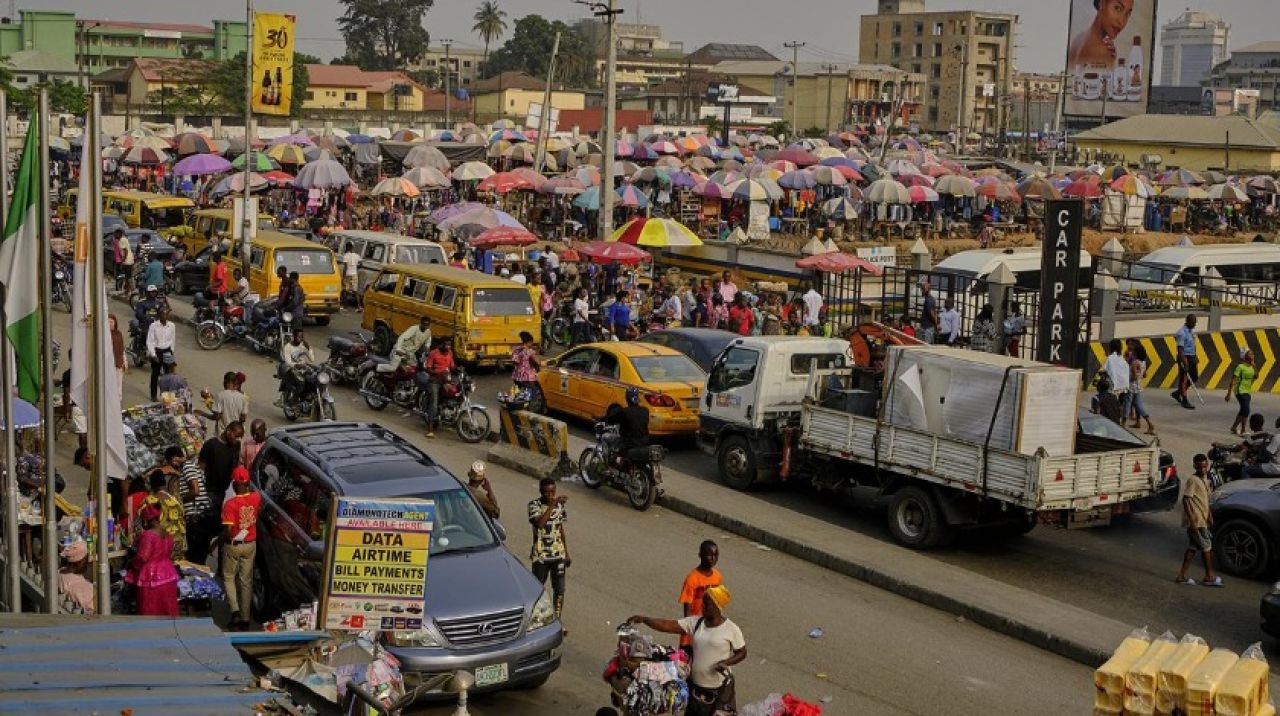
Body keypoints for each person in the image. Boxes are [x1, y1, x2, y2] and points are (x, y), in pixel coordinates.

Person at [627, 585, 747, 716]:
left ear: (718, 606)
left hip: (718, 693)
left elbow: (742, 652)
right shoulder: (696, 623)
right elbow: (667, 625)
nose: (703, 607)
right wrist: (645, 620)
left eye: (707, 605)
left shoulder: (731, 629)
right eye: (703, 603)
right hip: (695, 688)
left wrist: (726, 662)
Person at [194, 421, 243, 563]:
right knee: (204, 526)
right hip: (208, 492)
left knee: (214, 524)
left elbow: (234, 467)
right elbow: (201, 468)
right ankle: (199, 557)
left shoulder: (234, 447)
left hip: (222, 493)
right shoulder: (211, 445)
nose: (238, 439)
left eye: (240, 437)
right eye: (236, 435)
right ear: (228, 431)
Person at [222, 466, 261, 629]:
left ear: (233, 484)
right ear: (248, 482)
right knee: (246, 581)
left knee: (229, 577)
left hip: (234, 545)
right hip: (250, 544)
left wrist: (220, 540)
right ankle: (245, 618)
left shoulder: (230, 504)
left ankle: (235, 611)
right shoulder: (256, 498)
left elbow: (228, 531)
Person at [1175, 454, 1222, 587]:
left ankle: (1181, 576)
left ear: (1207, 465)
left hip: (1203, 519)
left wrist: (1210, 517)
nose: (1202, 469)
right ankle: (1209, 576)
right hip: (1197, 521)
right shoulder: (1193, 480)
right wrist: (1193, 522)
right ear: (1194, 466)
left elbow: (1205, 500)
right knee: (1207, 547)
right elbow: (1186, 499)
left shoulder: (1205, 479)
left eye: (1205, 466)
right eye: (1200, 467)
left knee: (1193, 548)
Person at [528, 477, 569, 628]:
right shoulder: (534, 506)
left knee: (559, 590)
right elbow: (540, 523)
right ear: (540, 491)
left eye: (552, 492)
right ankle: (537, 619)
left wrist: (567, 552)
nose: (550, 495)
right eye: (546, 492)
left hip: (558, 555)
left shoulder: (559, 507)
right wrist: (552, 505)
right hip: (541, 556)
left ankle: (556, 621)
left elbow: (560, 529)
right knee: (538, 589)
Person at [129, 505, 180, 616]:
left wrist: (132, 564)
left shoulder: (148, 535)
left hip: (151, 577)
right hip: (169, 574)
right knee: (168, 609)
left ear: (146, 521)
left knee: (150, 610)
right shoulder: (167, 533)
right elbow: (170, 551)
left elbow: (143, 556)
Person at [678, 541, 723, 650]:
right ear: (700, 555)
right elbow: (687, 610)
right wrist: (690, 631)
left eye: (715, 555)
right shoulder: (692, 579)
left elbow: (718, 603)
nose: (713, 558)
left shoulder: (717, 576)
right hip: (694, 626)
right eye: (709, 555)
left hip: (709, 627)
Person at [1068, 0, 1135, 68]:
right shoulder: (1104, 52)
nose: (1122, 22)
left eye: (1127, 14)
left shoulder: (1079, 38)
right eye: (1117, 8)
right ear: (1101, 3)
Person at [142, 463, 187, 560]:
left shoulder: (150, 500)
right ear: (164, 483)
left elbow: (142, 524)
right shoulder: (176, 499)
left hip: (162, 547)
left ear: (151, 485)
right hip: (179, 546)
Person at [421, 339, 455, 438]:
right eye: (446, 345)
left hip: (446, 380)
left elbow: (452, 366)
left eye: (449, 345)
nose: (448, 347)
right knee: (434, 404)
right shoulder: (433, 353)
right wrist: (439, 373)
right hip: (434, 381)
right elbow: (428, 369)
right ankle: (430, 429)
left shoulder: (450, 353)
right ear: (441, 345)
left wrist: (458, 369)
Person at [605, 387, 650, 454]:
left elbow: (611, 419)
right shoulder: (645, 410)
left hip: (629, 443)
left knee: (608, 439)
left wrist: (600, 419)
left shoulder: (625, 412)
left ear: (627, 399)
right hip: (644, 441)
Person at [277, 328, 315, 404]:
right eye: (299, 337)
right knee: (301, 382)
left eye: (302, 337)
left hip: (302, 367)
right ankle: (293, 402)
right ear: (293, 336)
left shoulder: (303, 346)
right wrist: (297, 365)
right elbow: (288, 362)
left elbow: (312, 359)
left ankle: (309, 396)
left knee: (315, 376)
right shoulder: (287, 347)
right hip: (289, 369)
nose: (301, 339)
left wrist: (309, 348)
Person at [145, 307, 175, 401]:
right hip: (157, 351)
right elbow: (150, 341)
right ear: (159, 315)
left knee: (168, 375)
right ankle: (153, 395)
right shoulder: (153, 326)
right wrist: (153, 355)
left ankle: (166, 395)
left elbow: (172, 340)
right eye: (162, 314)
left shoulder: (172, 325)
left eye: (166, 314)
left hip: (167, 351)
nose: (164, 316)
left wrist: (172, 352)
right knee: (155, 374)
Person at [1127, 340, 1155, 435]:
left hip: (1132, 386)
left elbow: (1134, 377)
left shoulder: (1135, 362)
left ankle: (1149, 423)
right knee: (1137, 404)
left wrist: (1128, 378)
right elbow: (1145, 375)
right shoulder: (1143, 362)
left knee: (1130, 404)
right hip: (1139, 385)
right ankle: (1140, 422)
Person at [1226, 348, 1256, 436]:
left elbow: (1256, 376)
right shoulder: (1240, 367)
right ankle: (1243, 430)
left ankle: (1233, 428)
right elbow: (1233, 380)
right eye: (1250, 354)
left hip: (1247, 391)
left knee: (1243, 410)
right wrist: (1228, 394)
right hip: (1240, 391)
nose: (1253, 355)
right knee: (1246, 409)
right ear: (1245, 356)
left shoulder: (1252, 366)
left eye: (1253, 354)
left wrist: (1254, 365)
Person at [1173, 314, 1198, 409]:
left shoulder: (1191, 331)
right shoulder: (1182, 333)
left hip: (1192, 356)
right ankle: (1184, 400)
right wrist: (1185, 362)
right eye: (1193, 322)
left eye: (1195, 322)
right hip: (1185, 357)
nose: (1195, 324)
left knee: (1194, 378)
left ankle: (1178, 392)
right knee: (1184, 379)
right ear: (1188, 321)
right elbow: (1180, 349)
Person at [1103, 338, 1132, 417]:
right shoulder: (1122, 358)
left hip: (1112, 385)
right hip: (1122, 386)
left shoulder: (1110, 358)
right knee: (1118, 403)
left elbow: (1106, 370)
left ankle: (1111, 417)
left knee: (1110, 404)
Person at [109, 314, 126, 395]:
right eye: (108, 322)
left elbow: (121, 349)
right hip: (108, 365)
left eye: (111, 322)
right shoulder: (103, 335)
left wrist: (124, 362)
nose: (110, 324)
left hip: (118, 364)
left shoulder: (118, 334)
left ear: (115, 323)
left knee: (118, 385)